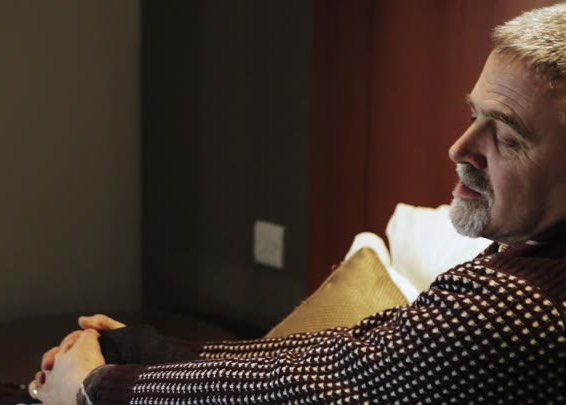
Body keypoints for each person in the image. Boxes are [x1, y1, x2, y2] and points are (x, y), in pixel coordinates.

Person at [32, 4, 566, 403]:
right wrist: (141, 350)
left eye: (506, 136)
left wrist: (92, 388)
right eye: (473, 115)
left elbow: (294, 392)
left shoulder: (510, 309)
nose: (461, 148)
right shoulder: (526, 255)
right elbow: (335, 358)